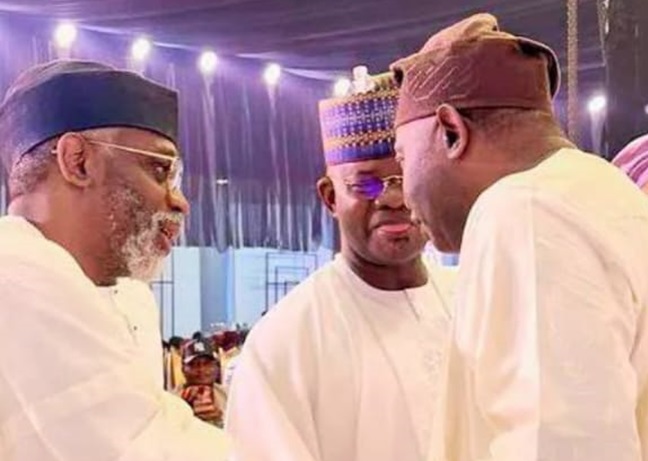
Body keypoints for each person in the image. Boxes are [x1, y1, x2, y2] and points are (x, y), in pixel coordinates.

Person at [391, 13, 648, 461]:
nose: (403, 194)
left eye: (403, 159)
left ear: (451, 132)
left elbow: (556, 447)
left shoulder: (524, 211)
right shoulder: (607, 194)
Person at [0, 60, 228, 460]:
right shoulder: (16, 275)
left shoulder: (129, 296)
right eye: (159, 169)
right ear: (78, 161)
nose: (179, 201)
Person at [225, 70, 455, 461]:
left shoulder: (471, 298)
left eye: (406, 179)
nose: (392, 199)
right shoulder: (287, 340)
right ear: (330, 197)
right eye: (365, 185)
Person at [176, 338, 228, 428]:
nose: (201, 370)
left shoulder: (228, 395)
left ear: (217, 367)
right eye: (193, 364)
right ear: (183, 369)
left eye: (207, 363)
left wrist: (219, 418)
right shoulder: (171, 399)